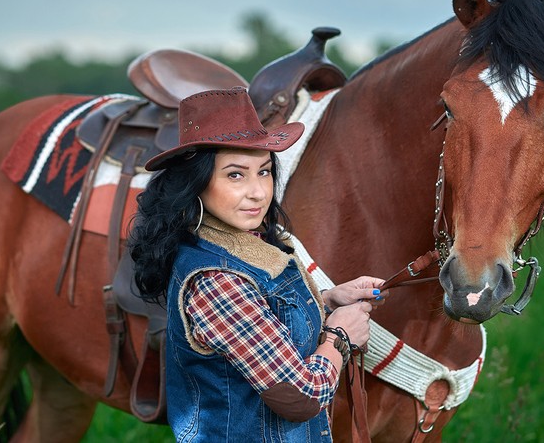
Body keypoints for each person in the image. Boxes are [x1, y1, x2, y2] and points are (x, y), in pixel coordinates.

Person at [129, 87, 386, 442]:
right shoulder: (216, 281)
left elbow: (262, 315)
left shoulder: (243, 246)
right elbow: (301, 396)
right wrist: (339, 337)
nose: (258, 193)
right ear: (197, 184)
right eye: (236, 175)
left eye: (263, 172)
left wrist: (326, 301)